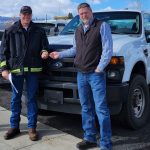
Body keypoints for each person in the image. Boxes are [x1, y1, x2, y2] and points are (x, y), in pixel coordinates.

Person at [50, 2, 113, 150]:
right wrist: (59, 54)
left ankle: (105, 144)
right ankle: (89, 138)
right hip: (81, 74)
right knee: (86, 108)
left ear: (91, 12)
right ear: (79, 15)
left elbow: (108, 50)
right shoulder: (78, 30)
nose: (84, 15)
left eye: (86, 12)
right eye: (81, 13)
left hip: (95, 75)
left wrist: (99, 68)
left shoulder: (102, 26)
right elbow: (74, 50)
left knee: (101, 109)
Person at [0, 6, 49, 141]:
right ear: (20, 15)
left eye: (28, 15)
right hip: (16, 71)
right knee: (15, 99)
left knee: (31, 99)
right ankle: (14, 127)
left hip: (33, 71)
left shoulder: (39, 31)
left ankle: (32, 128)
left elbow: (45, 46)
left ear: (31, 16)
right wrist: (4, 69)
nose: (26, 17)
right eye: (24, 15)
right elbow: (3, 52)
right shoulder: (10, 31)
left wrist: (44, 52)